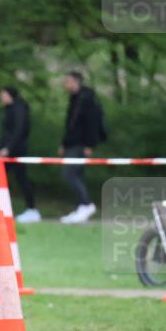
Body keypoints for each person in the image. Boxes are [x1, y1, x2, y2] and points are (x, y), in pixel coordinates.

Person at [58, 71, 105, 224]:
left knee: (69, 173)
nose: (66, 85)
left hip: (81, 144)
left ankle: (86, 204)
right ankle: (80, 207)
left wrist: (90, 144)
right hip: (72, 143)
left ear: (76, 81)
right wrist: (64, 143)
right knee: (77, 174)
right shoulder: (74, 99)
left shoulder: (87, 99)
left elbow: (91, 123)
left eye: (68, 82)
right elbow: (70, 124)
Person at [0, 86, 39, 223]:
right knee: (1, 176)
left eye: (3, 95)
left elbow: (19, 130)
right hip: (10, 149)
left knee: (20, 178)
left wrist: (8, 148)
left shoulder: (19, 108)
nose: (1, 98)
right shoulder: (10, 109)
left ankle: (32, 209)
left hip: (16, 150)